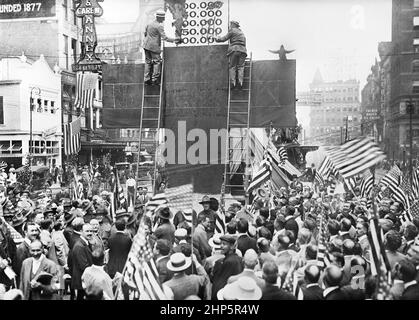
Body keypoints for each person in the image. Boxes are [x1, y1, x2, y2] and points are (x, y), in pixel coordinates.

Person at [142, 9, 180, 85]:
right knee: (157, 62)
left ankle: (146, 79)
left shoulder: (149, 24)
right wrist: (175, 39)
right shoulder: (159, 26)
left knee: (148, 62)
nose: (164, 19)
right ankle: (155, 79)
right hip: (154, 47)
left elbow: (145, 34)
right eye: (163, 17)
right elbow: (165, 38)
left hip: (146, 46)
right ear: (160, 18)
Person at [214, 20, 247, 89]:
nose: (229, 26)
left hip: (234, 50)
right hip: (243, 51)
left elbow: (223, 39)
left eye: (230, 24)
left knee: (232, 67)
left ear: (233, 25)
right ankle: (240, 82)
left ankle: (233, 83)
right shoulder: (241, 32)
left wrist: (216, 38)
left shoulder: (232, 30)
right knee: (241, 67)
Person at [211, 234, 243, 300]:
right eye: (221, 243)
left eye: (224, 244)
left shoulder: (227, 262)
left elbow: (219, 283)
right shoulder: (239, 259)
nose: (221, 246)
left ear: (231, 246)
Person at [70, 223, 93, 300]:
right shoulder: (79, 246)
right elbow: (84, 266)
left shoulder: (85, 243)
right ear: (81, 231)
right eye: (87, 231)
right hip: (81, 280)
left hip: (84, 279)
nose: (89, 233)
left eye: (91, 231)